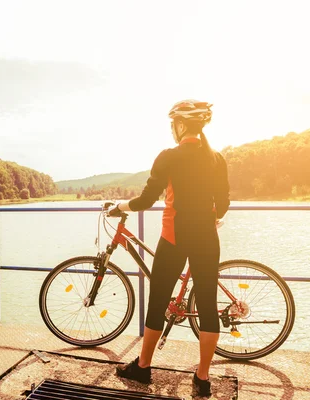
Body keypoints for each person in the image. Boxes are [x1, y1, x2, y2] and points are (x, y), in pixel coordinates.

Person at [108, 99, 230, 397]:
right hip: (206, 239)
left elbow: (146, 200)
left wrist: (119, 205)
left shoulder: (168, 156)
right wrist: (212, 219)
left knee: (159, 300)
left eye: (173, 124)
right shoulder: (217, 159)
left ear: (180, 125)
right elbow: (224, 204)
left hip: (174, 237)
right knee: (207, 306)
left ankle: (144, 366)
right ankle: (202, 379)